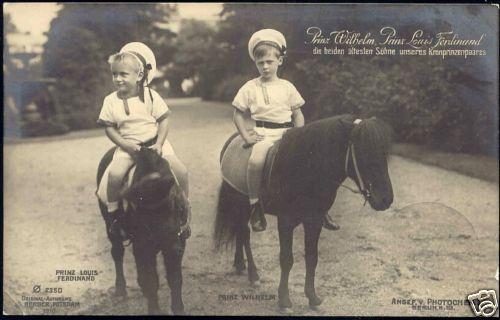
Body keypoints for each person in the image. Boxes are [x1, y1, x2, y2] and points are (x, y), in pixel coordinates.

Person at [232, 29, 338, 232]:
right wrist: (246, 135)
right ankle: (255, 206)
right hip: (263, 134)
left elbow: (298, 113)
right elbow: (237, 114)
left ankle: (320, 207)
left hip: (288, 134)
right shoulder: (250, 87)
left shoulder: (287, 86)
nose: (265, 66)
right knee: (255, 161)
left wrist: (301, 136)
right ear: (255, 63)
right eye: (260, 62)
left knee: (312, 159)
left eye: (269, 62)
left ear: (280, 61)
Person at [97, 42, 190, 238]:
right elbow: (109, 127)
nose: (118, 79)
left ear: (139, 76)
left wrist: (159, 143)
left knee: (181, 171)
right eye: (115, 74)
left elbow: (164, 119)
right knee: (114, 175)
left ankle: (184, 211)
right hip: (129, 147)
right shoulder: (111, 101)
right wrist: (124, 145)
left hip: (155, 144)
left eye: (124, 74)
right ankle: (114, 216)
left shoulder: (150, 96)